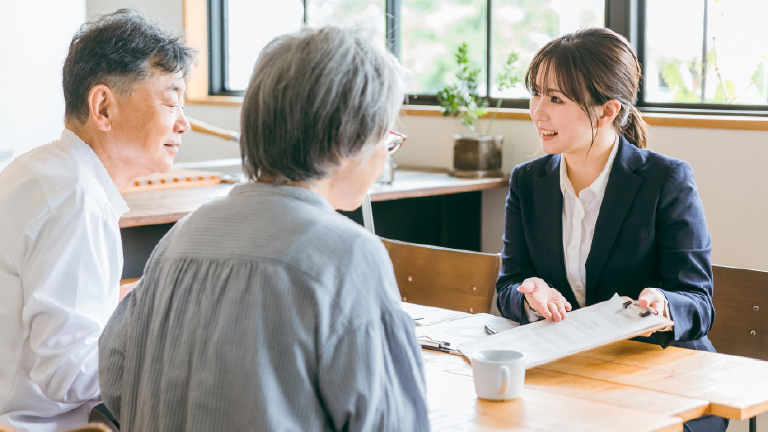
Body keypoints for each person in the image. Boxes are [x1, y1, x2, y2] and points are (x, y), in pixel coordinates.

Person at [98, 26, 429, 432]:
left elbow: (114, 379)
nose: (384, 154)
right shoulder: (348, 256)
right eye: (386, 137)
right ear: (347, 139)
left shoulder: (181, 238)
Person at [495, 28, 727, 432]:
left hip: (663, 381)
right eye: (536, 93)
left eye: (556, 98)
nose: (537, 111)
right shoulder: (527, 182)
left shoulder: (666, 180)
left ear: (607, 111)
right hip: (572, 380)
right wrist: (530, 296)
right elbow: (508, 285)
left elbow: (699, 302)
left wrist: (664, 305)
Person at [0, 10, 194, 431]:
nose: (184, 122)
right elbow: (67, 375)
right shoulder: (76, 202)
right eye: (171, 101)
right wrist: (165, 346)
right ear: (103, 106)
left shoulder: (42, 170)